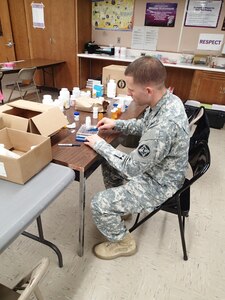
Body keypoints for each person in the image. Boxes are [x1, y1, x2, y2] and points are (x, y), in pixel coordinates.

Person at [85, 56, 190, 260]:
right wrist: (118, 124)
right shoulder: (167, 99)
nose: (128, 93)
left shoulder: (164, 126)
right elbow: (145, 126)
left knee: (98, 203)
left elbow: (132, 168)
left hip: (160, 183)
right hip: (158, 170)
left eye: (131, 90)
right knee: (108, 161)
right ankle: (122, 209)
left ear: (148, 90)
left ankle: (124, 242)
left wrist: (101, 145)